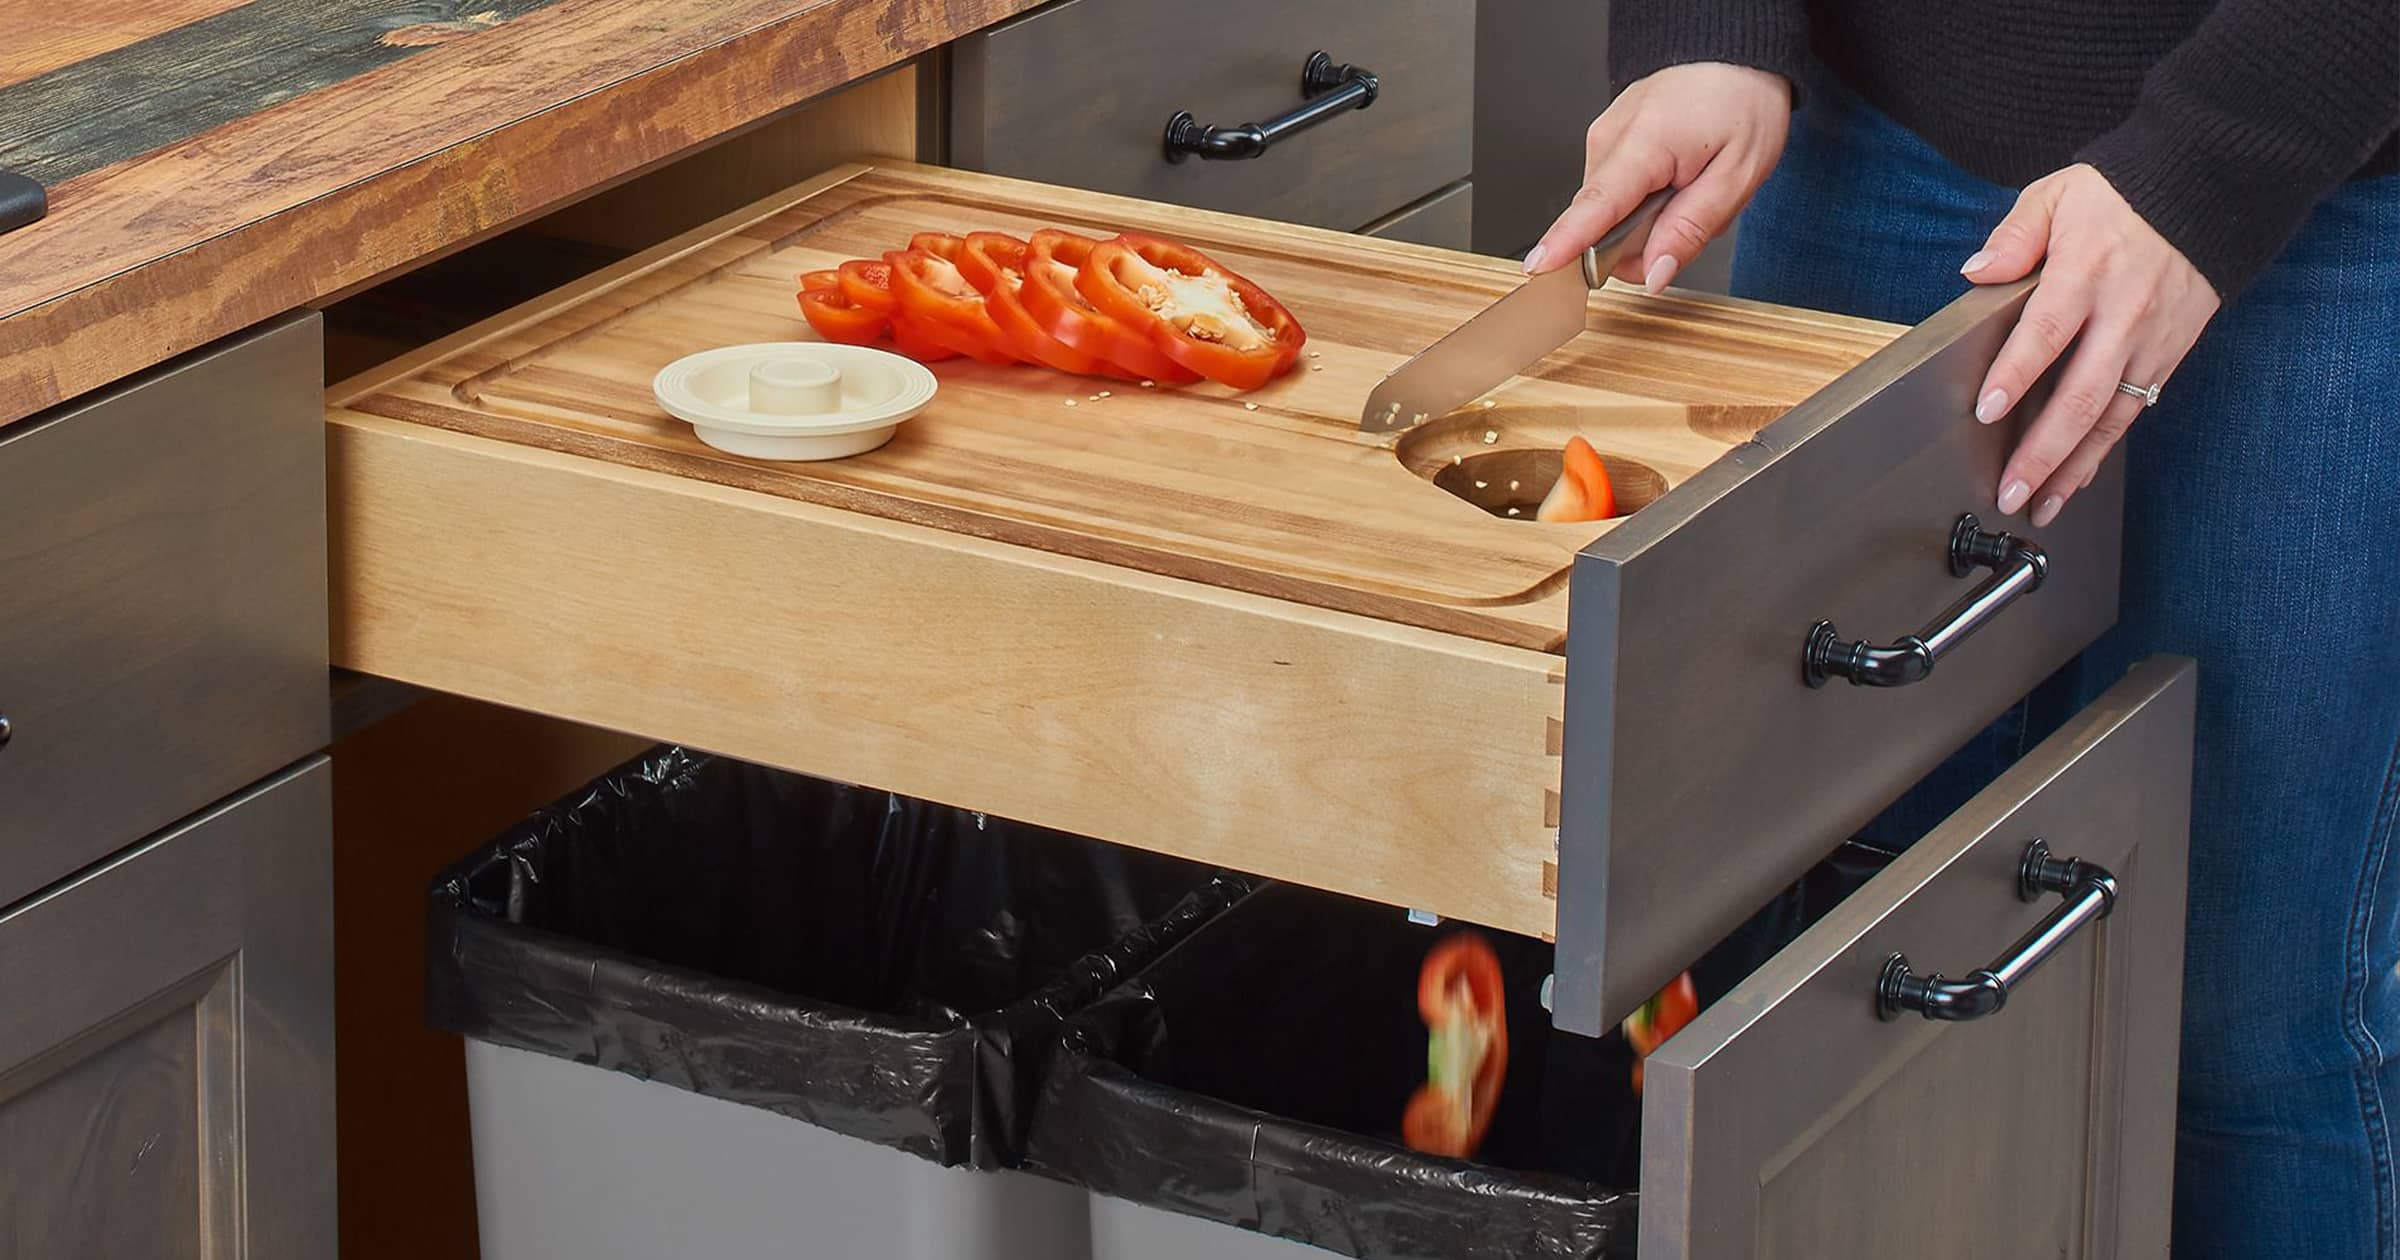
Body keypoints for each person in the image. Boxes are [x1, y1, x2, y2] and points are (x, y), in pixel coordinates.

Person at [1529, 4, 2400, 1255]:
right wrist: (1704, 26)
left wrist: (2209, 166)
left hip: (2325, 167)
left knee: (2237, 1026)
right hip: (1881, 134)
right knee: (1827, 963)